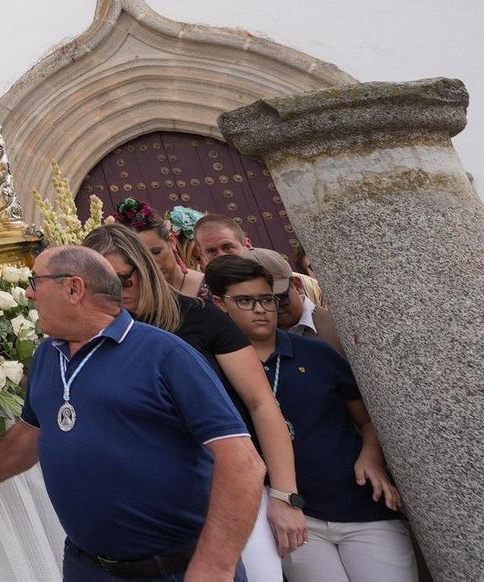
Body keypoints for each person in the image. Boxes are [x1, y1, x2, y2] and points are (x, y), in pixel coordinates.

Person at [0, 245, 264, 581]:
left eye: (36, 282)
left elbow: (243, 463)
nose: (29, 294)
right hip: (87, 567)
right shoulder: (48, 354)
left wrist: (215, 566)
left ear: (74, 289)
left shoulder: (165, 354)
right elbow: (32, 432)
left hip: (175, 570)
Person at [86, 225, 306, 578]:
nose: (116, 291)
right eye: (102, 283)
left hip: (229, 487)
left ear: (144, 269)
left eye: (124, 280)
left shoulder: (198, 316)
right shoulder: (90, 336)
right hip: (151, 507)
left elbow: (261, 403)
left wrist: (284, 496)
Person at [204, 255, 416, 582]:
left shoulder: (317, 354)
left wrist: (371, 456)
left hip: (362, 508)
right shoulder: (214, 371)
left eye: (267, 299)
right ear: (220, 304)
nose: (261, 309)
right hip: (294, 519)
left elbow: (368, 420)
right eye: (245, 301)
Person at [248, 248, 344, 353]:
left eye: (281, 298)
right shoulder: (250, 340)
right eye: (263, 302)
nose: (275, 308)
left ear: (297, 285)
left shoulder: (338, 327)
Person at [110, 197, 206, 298]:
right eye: (140, 257)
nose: (151, 262)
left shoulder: (209, 287)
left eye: (156, 252)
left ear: (172, 241)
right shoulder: (132, 300)